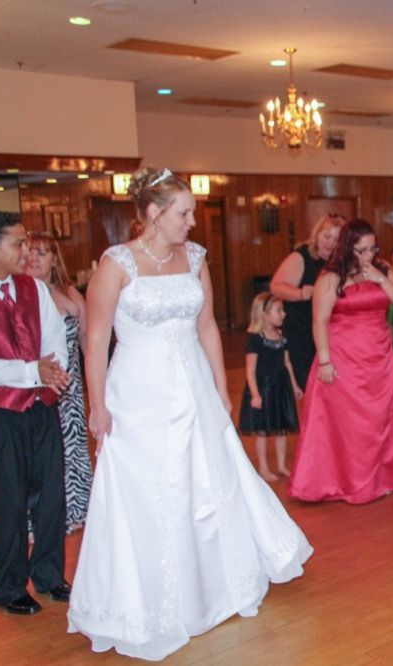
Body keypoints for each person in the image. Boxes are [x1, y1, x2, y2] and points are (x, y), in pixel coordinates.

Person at [69, 167, 312, 660]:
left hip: (194, 386)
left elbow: (206, 329)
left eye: (191, 213)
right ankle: (155, 599)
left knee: (206, 481)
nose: (190, 223)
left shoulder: (195, 257)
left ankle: (216, 586)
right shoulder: (116, 265)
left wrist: (223, 390)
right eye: (182, 213)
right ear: (154, 214)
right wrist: (97, 405)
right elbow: (95, 340)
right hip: (138, 391)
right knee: (154, 487)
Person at [289, 219, 393, 504]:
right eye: (361, 250)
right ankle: (349, 480)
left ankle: (385, 476)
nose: (368, 255)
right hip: (343, 356)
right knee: (350, 424)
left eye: (372, 248)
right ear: (348, 248)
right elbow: (320, 320)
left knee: (381, 419)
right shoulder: (330, 276)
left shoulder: (383, 268)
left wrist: (380, 279)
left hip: (379, 356)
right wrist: (325, 361)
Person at [0, 212, 70, 616]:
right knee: (9, 501)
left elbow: (54, 335)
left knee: (52, 495)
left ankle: (50, 574)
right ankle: (7, 585)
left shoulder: (34, 289)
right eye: (17, 244)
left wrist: (54, 370)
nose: (26, 252)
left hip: (41, 407)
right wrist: (29, 372)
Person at [25, 231, 92, 533]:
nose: (34, 258)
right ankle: (35, 520)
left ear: (54, 259)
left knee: (73, 449)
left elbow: (89, 345)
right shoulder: (19, 294)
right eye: (30, 251)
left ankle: (76, 510)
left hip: (70, 390)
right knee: (36, 458)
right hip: (32, 391)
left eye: (41, 252)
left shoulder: (72, 296)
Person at [269, 214, 344, 389]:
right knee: (309, 384)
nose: (330, 243)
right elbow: (276, 286)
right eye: (327, 236)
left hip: (330, 332)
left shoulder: (340, 262)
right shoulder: (302, 256)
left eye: (336, 239)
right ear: (317, 234)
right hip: (301, 332)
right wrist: (301, 293)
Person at [238, 293, 302, 481]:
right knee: (263, 431)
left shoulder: (282, 337)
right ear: (264, 315)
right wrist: (255, 394)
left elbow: (287, 363)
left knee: (281, 429)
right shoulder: (256, 340)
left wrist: (295, 385)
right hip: (264, 389)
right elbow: (250, 370)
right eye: (279, 311)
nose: (283, 314)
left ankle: (281, 465)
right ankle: (263, 467)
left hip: (280, 388)